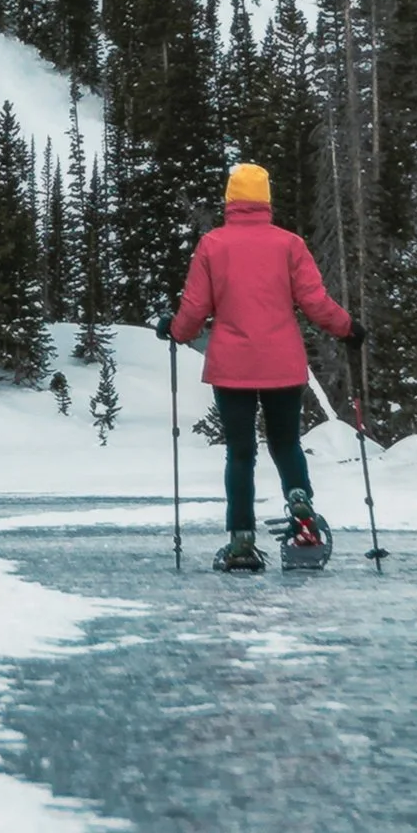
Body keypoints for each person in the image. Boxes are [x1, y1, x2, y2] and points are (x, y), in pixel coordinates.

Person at [157, 164, 362, 573]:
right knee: (286, 444)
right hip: (282, 365)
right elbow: (315, 301)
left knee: (240, 453)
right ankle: (302, 511)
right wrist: (348, 327)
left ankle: (241, 542)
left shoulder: (213, 244)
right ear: (267, 198)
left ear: (230, 199)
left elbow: (195, 310)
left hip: (231, 366)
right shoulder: (289, 244)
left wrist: (175, 331)